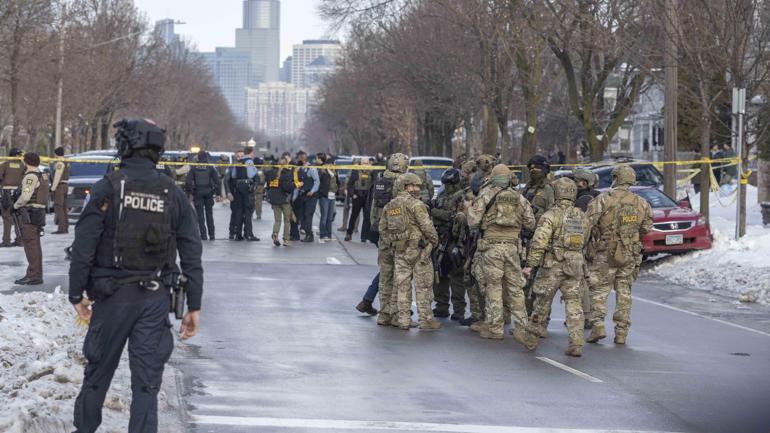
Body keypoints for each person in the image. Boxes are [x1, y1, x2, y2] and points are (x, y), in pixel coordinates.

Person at [68, 118, 203, 433]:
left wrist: (77, 294)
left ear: (124, 146)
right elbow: (192, 251)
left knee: (97, 376)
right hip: (155, 300)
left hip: (113, 298)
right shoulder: (173, 192)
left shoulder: (109, 186)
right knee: (146, 386)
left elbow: (84, 243)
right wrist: (194, 305)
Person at [514, 177, 590, 357]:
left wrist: (529, 266)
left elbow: (539, 242)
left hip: (552, 266)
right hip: (575, 265)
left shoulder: (550, 215)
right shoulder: (581, 216)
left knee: (541, 303)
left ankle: (531, 340)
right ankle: (576, 343)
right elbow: (584, 240)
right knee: (574, 304)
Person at [466, 164, 535, 340]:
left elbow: (473, 222)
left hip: (491, 248)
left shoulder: (486, 195)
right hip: (512, 248)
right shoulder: (518, 197)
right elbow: (530, 223)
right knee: (515, 289)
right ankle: (522, 328)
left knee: (494, 287)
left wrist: (468, 209)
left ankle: (495, 328)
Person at [586, 164, 653, 345]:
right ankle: (621, 332)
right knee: (624, 292)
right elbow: (646, 227)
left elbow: (588, 223)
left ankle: (598, 325)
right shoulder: (641, 202)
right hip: (630, 252)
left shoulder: (603, 199)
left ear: (616, 178)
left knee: (599, 290)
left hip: (605, 252)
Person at [383, 173, 441, 330]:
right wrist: (434, 242)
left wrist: (394, 242)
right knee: (423, 286)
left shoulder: (390, 205)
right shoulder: (416, 205)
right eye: (414, 186)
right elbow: (427, 227)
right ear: (405, 186)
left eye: (418, 186)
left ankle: (403, 320)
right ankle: (426, 320)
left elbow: (383, 229)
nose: (417, 189)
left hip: (400, 251)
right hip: (419, 250)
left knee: (402, 286)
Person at [362, 153, 409, 323]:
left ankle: (384, 314)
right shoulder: (405, 183)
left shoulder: (380, 181)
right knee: (400, 275)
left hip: (382, 234)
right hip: (400, 236)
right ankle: (397, 314)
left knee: (385, 274)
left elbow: (372, 209)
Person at [430, 168, 467, 320]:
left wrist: (434, 212)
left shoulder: (462, 197)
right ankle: (441, 306)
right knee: (439, 273)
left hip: (455, 240)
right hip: (441, 239)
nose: (447, 187)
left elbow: (452, 217)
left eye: (450, 184)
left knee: (456, 276)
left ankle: (459, 310)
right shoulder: (442, 195)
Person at [12, 152, 49, 285]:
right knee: (35, 245)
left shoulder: (31, 177)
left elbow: (26, 197)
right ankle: (36, 274)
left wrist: (15, 205)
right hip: (39, 213)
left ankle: (33, 276)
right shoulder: (43, 174)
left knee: (30, 245)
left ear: (26, 162)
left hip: (30, 213)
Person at [572, 168, 600, 327]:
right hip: (592, 245)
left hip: (584, 245)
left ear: (583, 183)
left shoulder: (583, 200)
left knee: (581, 281)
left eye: (576, 181)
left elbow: (579, 226)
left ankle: (587, 316)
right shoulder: (595, 197)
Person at [186, 150, 220, 240]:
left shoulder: (194, 167)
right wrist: (218, 193)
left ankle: (203, 235)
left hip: (198, 192)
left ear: (198, 157)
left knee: (200, 215)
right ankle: (212, 235)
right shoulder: (210, 167)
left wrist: (191, 191)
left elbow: (188, 181)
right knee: (209, 214)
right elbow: (217, 181)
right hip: (209, 192)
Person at [265, 153, 295, 246]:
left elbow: (268, 185)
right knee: (287, 221)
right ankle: (286, 239)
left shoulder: (270, 173)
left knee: (277, 220)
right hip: (284, 200)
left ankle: (275, 234)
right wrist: (295, 185)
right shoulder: (287, 174)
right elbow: (287, 188)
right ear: (286, 164)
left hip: (274, 199)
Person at [230, 147, 259, 241]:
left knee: (239, 211)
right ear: (251, 153)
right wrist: (256, 170)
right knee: (248, 211)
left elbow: (233, 175)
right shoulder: (249, 161)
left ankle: (238, 234)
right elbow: (250, 174)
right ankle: (249, 234)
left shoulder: (238, 161)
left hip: (238, 188)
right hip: (247, 188)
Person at [0, 148, 25, 247]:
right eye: (18, 155)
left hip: (7, 193)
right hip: (19, 193)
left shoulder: (5, 164)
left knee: (7, 217)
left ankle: (6, 241)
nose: (19, 156)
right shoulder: (22, 165)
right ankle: (20, 240)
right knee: (18, 217)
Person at [345, 158, 372, 242]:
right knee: (354, 215)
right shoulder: (355, 172)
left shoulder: (372, 172)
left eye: (367, 163)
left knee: (367, 216)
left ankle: (364, 236)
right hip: (357, 196)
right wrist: (353, 195)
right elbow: (349, 184)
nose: (365, 165)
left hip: (367, 197)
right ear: (360, 163)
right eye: (364, 163)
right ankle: (349, 233)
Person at [296, 151, 319, 242]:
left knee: (308, 215)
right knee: (303, 216)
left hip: (310, 196)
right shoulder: (299, 168)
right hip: (302, 195)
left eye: (300, 158)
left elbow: (317, 181)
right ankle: (307, 234)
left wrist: (312, 191)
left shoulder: (311, 168)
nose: (299, 160)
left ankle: (310, 235)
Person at [317, 154, 338, 241]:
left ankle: (329, 234)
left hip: (332, 197)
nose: (333, 166)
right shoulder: (323, 172)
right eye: (332, 164)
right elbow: (319, 183)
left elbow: (338, 183)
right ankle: (323, 234)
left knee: (330, 217)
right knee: (324, 216)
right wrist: (321, 193)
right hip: (324, 197)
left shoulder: (335, 173)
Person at [51, 147, 71, 234]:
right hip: (66, 185)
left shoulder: (59, 163)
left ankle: (61, 228)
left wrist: (53, 188)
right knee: (64, 207)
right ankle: (66, 226)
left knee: (58, 207)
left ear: (56, 154)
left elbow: (57, 176)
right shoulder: (67, 162)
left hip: (60, 186)